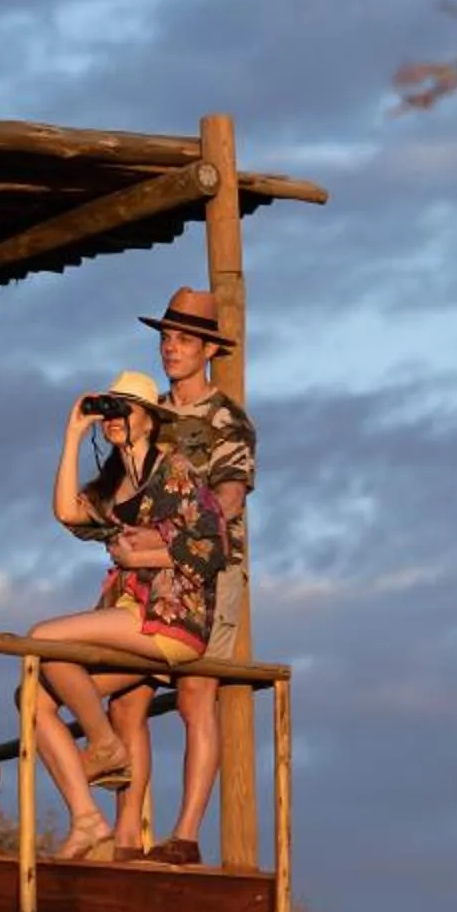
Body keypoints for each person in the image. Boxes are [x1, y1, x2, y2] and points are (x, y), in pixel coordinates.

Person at [26, 364, 231, 861]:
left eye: (126, 410)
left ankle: (103, 746)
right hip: (129, 619)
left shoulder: (174, 470)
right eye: (109, 411)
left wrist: (142, 556)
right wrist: (74, 433)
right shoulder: (116, 483)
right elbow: (66, 513)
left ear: (149, 419)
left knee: (41, 639)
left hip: (170, 617)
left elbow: (215, 545)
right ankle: (86, 818)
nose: (115, 419)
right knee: (32, 694)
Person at [131, 285, 254, 868]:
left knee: (194, 696)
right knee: (125, 694)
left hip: (207, 573)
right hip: (146, 574)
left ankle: (183, 836)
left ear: (208, 349)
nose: (170, 348)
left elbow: (228, 500)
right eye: (165, 337)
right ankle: (127, 835)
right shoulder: (146, 413)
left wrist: (171, 540)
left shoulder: (226, 419)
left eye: (182, 339)